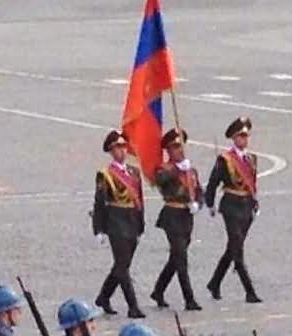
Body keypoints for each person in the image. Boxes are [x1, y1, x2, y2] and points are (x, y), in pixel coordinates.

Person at [205, 117, 262, 304]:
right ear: (233, 138)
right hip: (231, 206)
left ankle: (214, 282)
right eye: (240, 136)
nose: (243, 140)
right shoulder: (225, 160)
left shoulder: (252, 158)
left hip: (246, 207)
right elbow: (213, 183)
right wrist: (210, 204)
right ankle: (250, 291)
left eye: (246, 136)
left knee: (232, 248)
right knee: (237, 248)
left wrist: (255, 203)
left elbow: (253, 182)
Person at [92, 130, 146, 318]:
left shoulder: (134, 172)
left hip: (131, 222)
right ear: (110, 151)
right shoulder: (105, 175)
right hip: (116, 222)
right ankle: (133, 306)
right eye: (117, 148)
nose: (121, 152)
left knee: (122, 265)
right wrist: (98, 228)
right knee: (123, 266)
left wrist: (141, 225)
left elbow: (140, 200)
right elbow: (99, 203)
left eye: (123, 147)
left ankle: (104, 296)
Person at [151, 128, 203, 311]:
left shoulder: (191, 170)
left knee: (175, 258)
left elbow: (199, 192)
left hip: (186, 217)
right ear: (168, 150)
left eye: (181, 146)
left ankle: (158, 290)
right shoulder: (163, 169)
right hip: (171, 216)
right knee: (181, 258)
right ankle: (189, 299)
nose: (179, 150)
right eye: (175, 147)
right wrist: (176, 169)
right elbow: (160, 181)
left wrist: (197, 203)